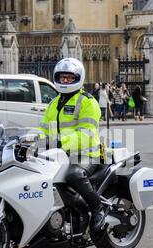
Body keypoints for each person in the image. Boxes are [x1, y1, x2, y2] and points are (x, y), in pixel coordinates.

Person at [37, 58, 106, 234]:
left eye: (69, 78)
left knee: (73, 174)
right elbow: (43, 129)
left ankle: (97, 208)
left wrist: (61, 143)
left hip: (89, 154)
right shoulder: (53, 104)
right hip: (59, 155)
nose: (65, 81)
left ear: (78, 78)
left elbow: (87, 134)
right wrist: (30, 140)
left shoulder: (87, 101)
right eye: (62, 78)